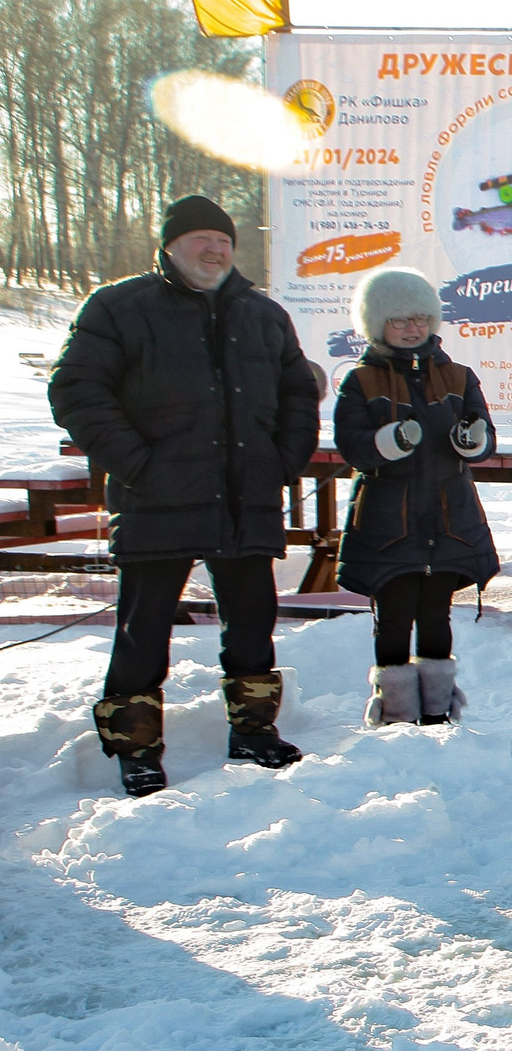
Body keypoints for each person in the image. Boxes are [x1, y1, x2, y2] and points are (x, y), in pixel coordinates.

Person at [49, 196, 320, 796]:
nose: (214, 249)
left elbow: (300, 393)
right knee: (144, 628)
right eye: (200, 239)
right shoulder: (120, 307)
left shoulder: (263, 314)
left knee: (252, 620)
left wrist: (280, 462)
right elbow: (76, 390)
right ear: (169, 246)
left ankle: (254, 731)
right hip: (157, 497)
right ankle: (137, 748)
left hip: (243, 497)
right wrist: (137, 464)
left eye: (223, 240)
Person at [330, 267, 500, 725]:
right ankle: (398, 711)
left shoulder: (459, 376)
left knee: (437, 615)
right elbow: (352, 446)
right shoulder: (361, 381)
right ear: (377, 324)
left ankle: (437, 711)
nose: (413, 328)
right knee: (394, 616)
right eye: (400, 320)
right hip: (389, 525)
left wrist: (474, 439)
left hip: (449, 519)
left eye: (421, 318)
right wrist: (387, 442)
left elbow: (485, 438)